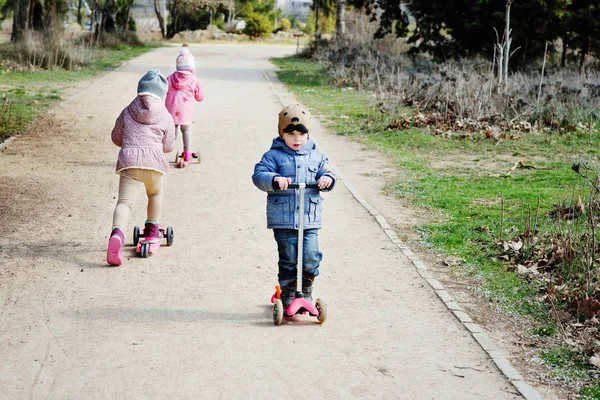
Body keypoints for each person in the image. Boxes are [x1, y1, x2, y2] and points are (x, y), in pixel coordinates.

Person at [252, 103, 336, 308]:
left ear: (308, 134)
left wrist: (327, 179)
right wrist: (274, 179)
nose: (296, 139)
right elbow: (259, 175)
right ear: (282, 134)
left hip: (309, 218)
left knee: (311, 256)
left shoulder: (317, 156)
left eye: (301, 134)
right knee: (288, 258)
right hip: (284, 218)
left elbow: (329, 173)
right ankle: (288, 292)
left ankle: (306, 291)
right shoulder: (273, 156)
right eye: (290, 134)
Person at [106, 69, 176, 266]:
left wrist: (130, 143)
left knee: (124, 203)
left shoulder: (128, 110)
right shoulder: (165, 114)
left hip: (130, 162)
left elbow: (116, 137)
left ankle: (117, 233)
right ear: (162, 95)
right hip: (154, 164)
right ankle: (152, 229)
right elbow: (169, 146)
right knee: (155, 195)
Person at [165, 45, 204, 161]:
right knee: (186, 130)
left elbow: (163, 91)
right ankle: (187, 154)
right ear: (191, 68)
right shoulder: (193, 80)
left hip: (171, 111)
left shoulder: (170, 78)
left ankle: (163, 151)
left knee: (172, 131)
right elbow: (200, 97)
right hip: (185, 113)